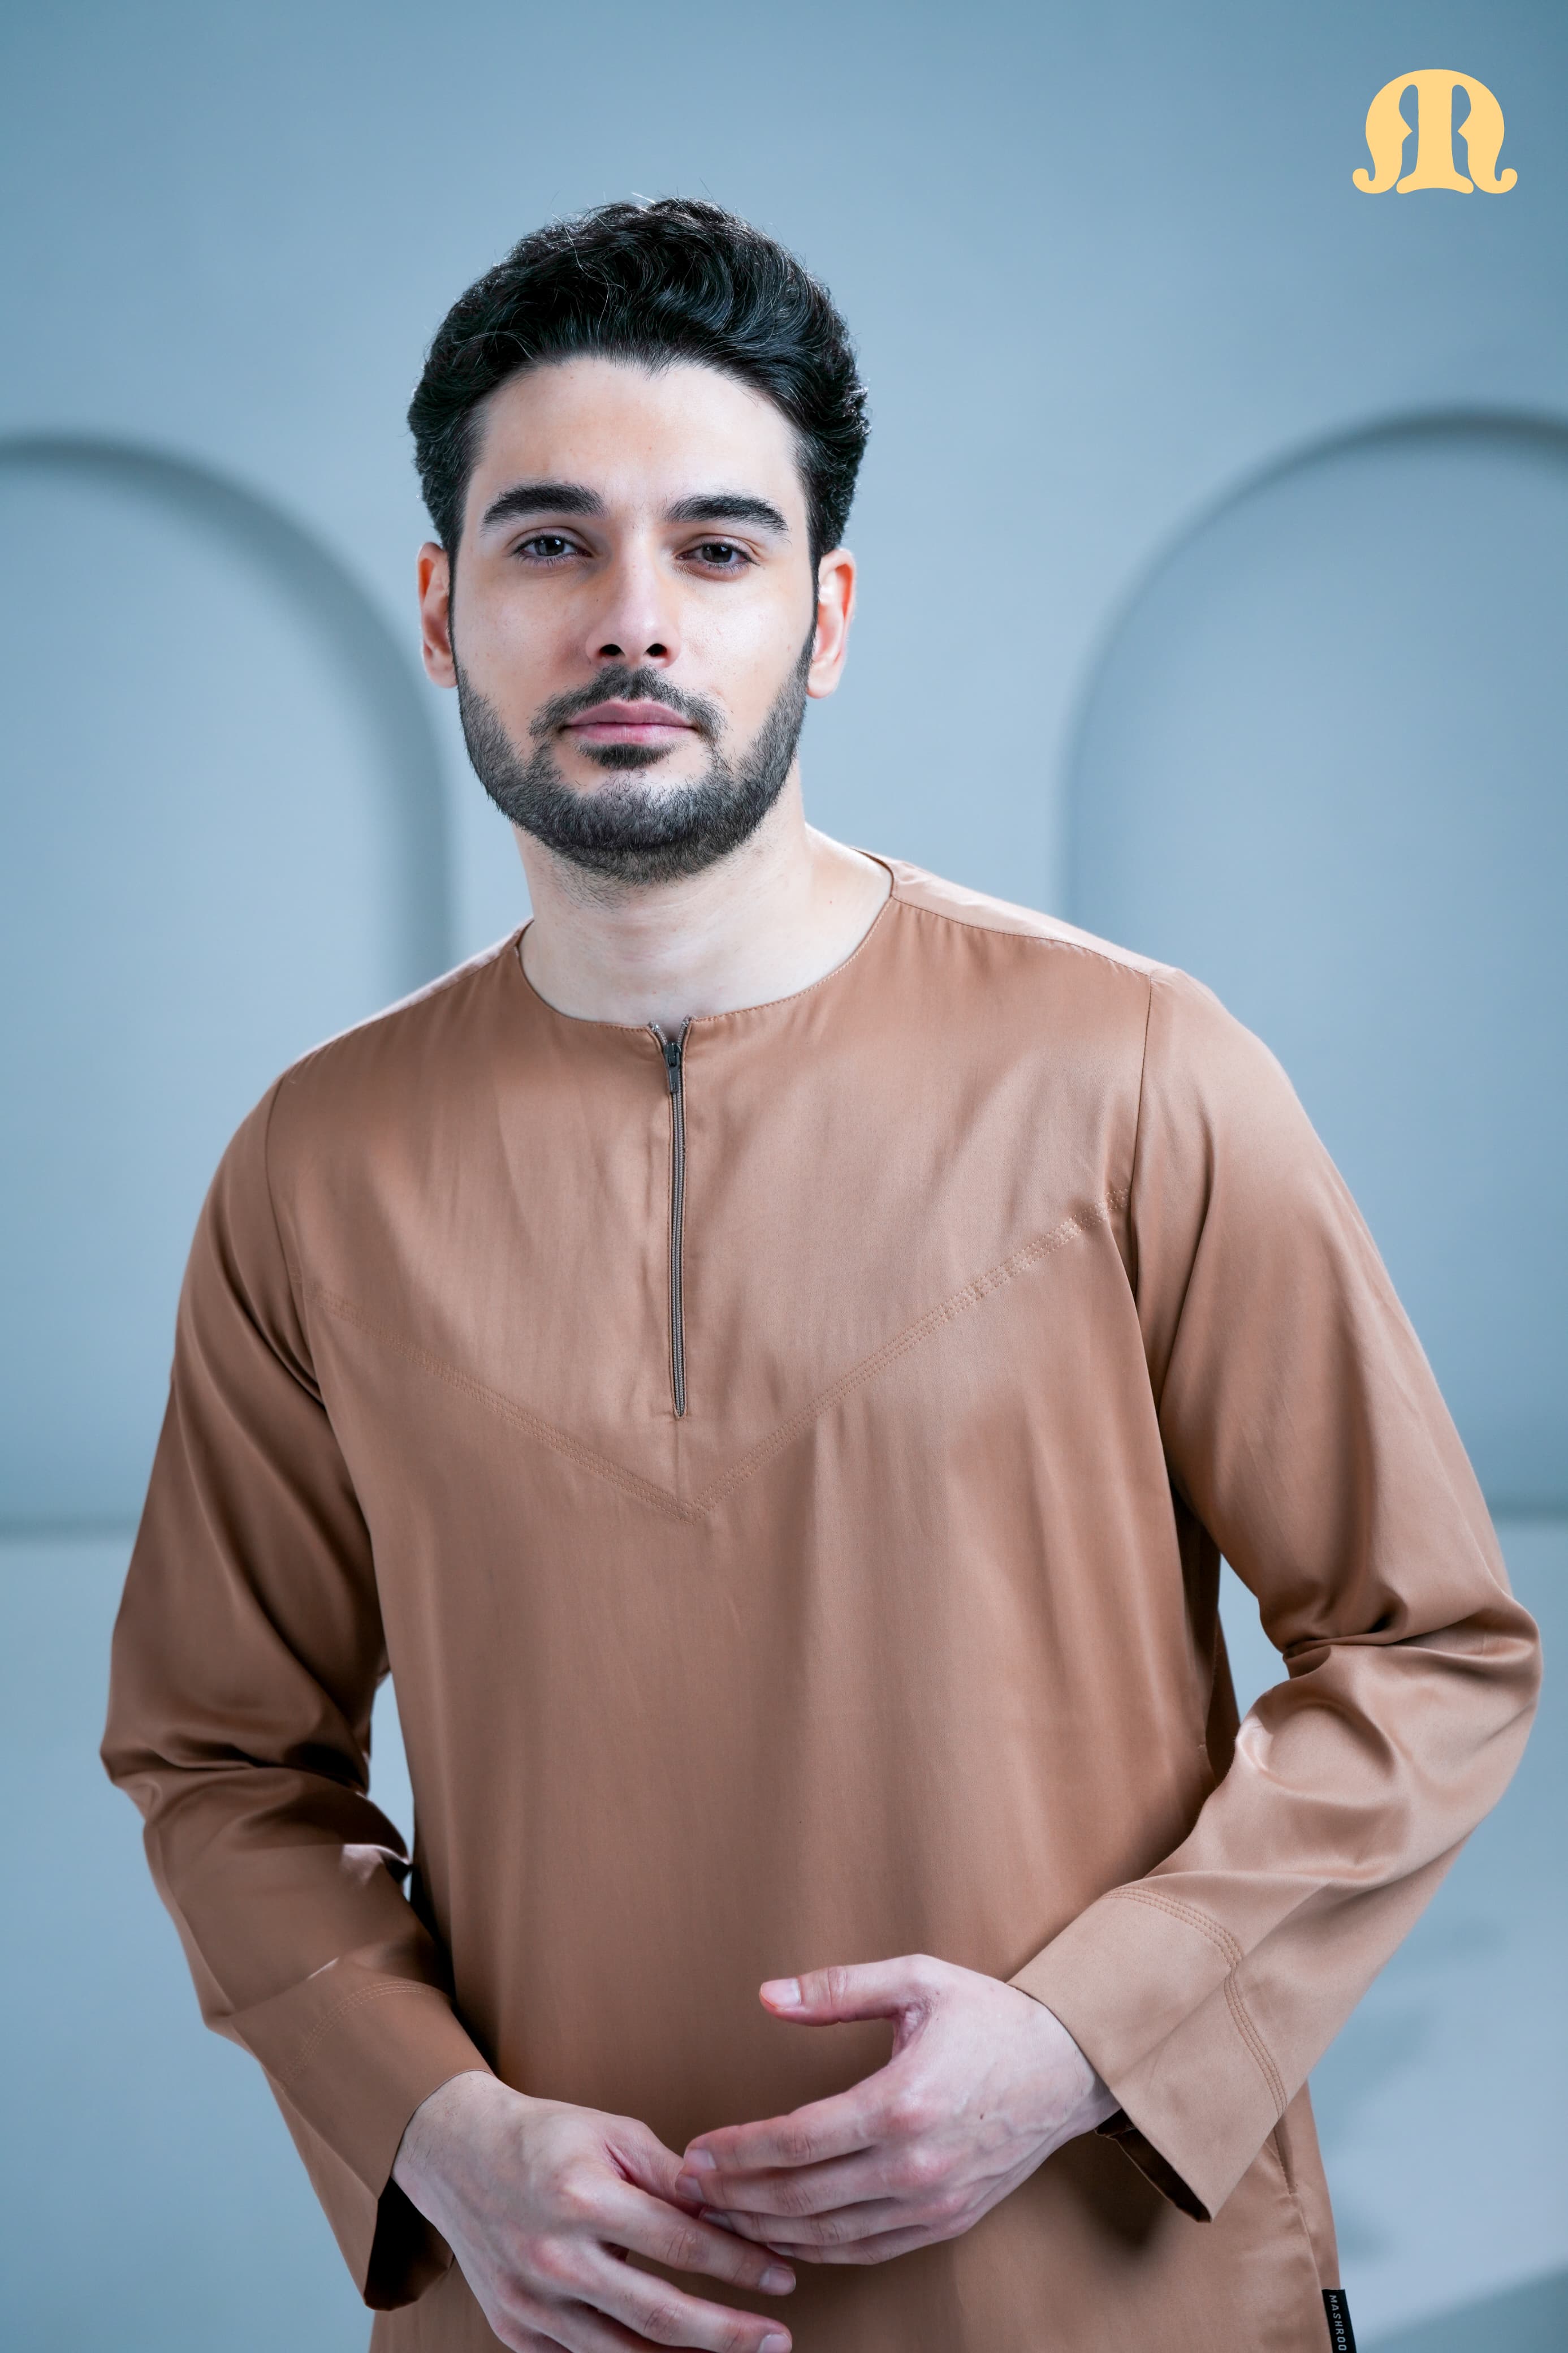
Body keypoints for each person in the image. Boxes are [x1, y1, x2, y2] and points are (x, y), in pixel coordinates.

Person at [103, 199, 1539, 2353]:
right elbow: (220, 1759)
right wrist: (430, 2131)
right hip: (551, 2317)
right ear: (439, 608)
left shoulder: (1137, 1069)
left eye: (716, 547)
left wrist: (1082, 2042)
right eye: (550, 543)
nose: (631, 623)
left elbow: (1430, 1650)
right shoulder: (319, 1163)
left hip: (1106, 2296)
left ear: (826, 614)